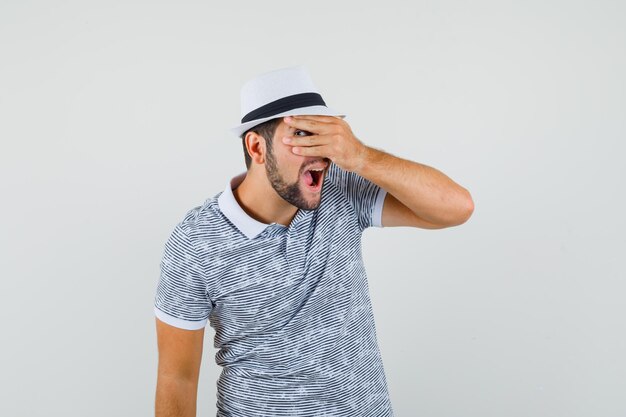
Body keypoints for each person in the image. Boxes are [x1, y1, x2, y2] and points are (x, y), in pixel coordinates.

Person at [153, 65, 474, 417]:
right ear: (257, 147)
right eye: (304, 136)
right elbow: (177, 377)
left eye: (326, 137)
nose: (322, 153)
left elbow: (456, 208)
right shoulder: (196, 242)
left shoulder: (342, 190)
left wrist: (361, 156)